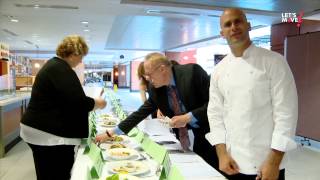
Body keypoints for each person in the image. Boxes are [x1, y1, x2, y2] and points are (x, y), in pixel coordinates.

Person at [205, 8, 298, 180]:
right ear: (222, 33)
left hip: (266, 163)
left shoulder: (274, 62)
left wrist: (274, 161)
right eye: (227, 24)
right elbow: (215, 114)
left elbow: (286, 114)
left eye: (238, 21)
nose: (233, 27)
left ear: (248, 26)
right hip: (233, 162)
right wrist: (222, 153)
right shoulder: (219, 70)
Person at [96, 52, 224, 175]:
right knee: (200, 166)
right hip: (188, 135)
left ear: (162, 69)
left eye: (149, 75)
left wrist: (188, 117)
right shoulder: (155, 89)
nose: (148, 79)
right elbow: (141, 113)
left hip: (214, 130)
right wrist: (111, 133)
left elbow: (215, 104)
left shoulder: (192, 73)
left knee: (218, 166)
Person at [20, 35, 107, 180]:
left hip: (40, 129)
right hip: (48, 134)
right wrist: (99, 103)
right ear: (74, 54)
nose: (81, 61)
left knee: (46, 173)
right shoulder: (60, 69)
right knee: (58, 173)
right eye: (81, 56)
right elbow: (78, 103)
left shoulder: (55, 66)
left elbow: (66, 99)